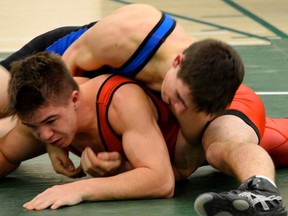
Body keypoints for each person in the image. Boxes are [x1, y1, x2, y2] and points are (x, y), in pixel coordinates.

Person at [0, 3, 287, 215]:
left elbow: (176, 172)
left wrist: (118, 172)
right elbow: (66, 75)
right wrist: (53, 143)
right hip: (68, 64)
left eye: (182, 106)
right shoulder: (130, 33)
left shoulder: (194, 106)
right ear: (177, 62)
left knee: (221, 146)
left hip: (133, 121)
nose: (174, 106)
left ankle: (261, 191)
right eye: (176, 97)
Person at [4, 51, 204, 210]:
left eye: (51, 121)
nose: (45, 135)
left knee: (219, 147)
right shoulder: (44, 117)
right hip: (178, 160)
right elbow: (5, 154)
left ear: (74, 99)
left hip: (213, 115)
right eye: (34, 127)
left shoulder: (120, 101)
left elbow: (162, 181)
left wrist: (80, 189)